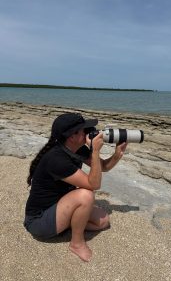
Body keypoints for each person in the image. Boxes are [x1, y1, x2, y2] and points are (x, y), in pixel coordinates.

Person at [24, 112, 127, 262]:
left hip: (59, 206)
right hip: (39, 221)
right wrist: (96, 150)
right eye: (84, 130)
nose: (89, 132)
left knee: (103, 221)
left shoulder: (77, 148)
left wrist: (117, 154)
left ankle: (70, 224)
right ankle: (76, 243)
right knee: (85, 195)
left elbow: (102, 167)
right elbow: (94, 184)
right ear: (72, 136)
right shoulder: (56, 159)